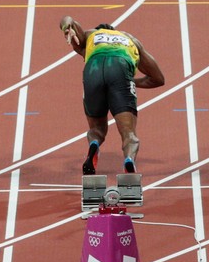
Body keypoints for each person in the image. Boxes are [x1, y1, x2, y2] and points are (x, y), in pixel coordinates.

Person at [59, 17, 165, 174]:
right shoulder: (131, 40)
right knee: (129, 133)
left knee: (96, 129)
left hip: (93, 70)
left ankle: (94, 144)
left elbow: (68, 20)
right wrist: (131, 81)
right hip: (120, 69)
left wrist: (67, 27)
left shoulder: (90, 36)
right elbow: (158, 79)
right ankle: (129, 159)